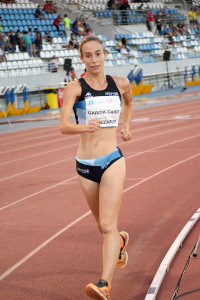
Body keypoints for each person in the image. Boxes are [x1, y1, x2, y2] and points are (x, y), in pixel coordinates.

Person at [60, 35, 133, 300]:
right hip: (85, 165)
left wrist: (126, 125)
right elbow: (63, 125)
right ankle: (120, 242)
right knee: (104, 228)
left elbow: (129, 101)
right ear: (82, 58)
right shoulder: (75, 88)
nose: (94, 59)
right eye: (88, 55)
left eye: (98, 54)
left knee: (106, 225)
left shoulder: (120, 83)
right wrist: (84, 127)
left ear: (105, 55)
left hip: (112, 159)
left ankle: (104, 284)